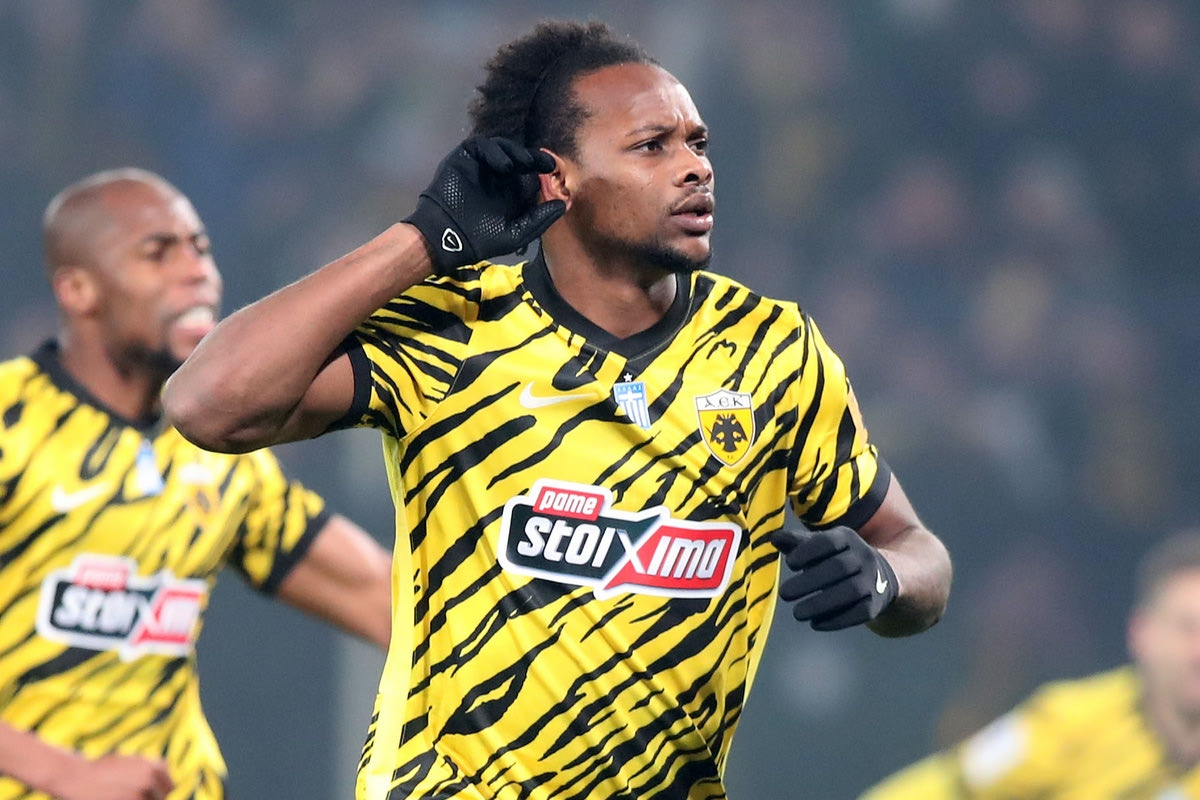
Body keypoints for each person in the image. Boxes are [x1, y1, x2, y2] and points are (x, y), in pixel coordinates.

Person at [163, 19, 953, 800]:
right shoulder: (455, 328)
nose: (695, 168)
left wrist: (885, 579)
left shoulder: (773, 348)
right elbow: (206, 404)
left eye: (697, 143)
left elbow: (920, 554)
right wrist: (423, 240)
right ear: (556, 180)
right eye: (652, 146)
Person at [0, 168, 394, 800]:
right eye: (158, 253)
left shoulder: (221, 457)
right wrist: (63, 773)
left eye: (201, 249)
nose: (197, 272)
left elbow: (387, 599)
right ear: (77, 290)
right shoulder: (10, 419)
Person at [858, 529, 1200, 799]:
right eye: (1186, 628)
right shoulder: (1069, 722)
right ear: (1141, 633)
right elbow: (952, 787)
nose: (1197, 652)